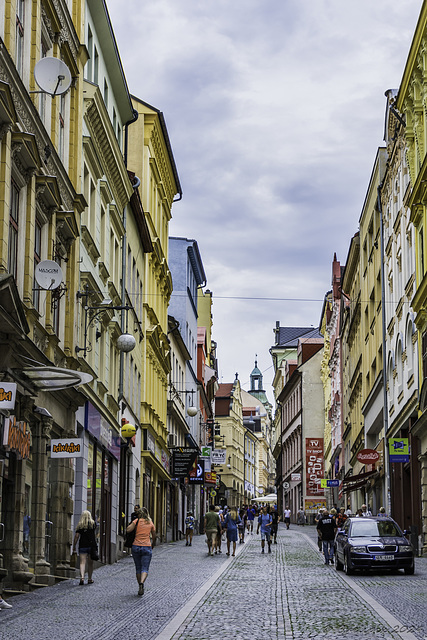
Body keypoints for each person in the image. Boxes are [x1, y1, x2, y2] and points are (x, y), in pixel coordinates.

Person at [126, 506, 156, 595]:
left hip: (136, 546)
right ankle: (142, 582)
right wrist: (152, 544)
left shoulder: (137, 521)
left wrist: (132, 523)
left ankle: (139, 585)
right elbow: (154, 535)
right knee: (145, 568)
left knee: (138, 567)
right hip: (147, 546)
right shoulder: (150, 522)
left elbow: (128, 530)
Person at [73, 510, 97, 585]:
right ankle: (89, 578)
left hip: (82, 545)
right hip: (91, 545)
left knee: (82, 562)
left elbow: (77, 536)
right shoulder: (93, 524)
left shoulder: (80, 525)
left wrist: (74, 545)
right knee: (90, 563)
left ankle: (82, 578)